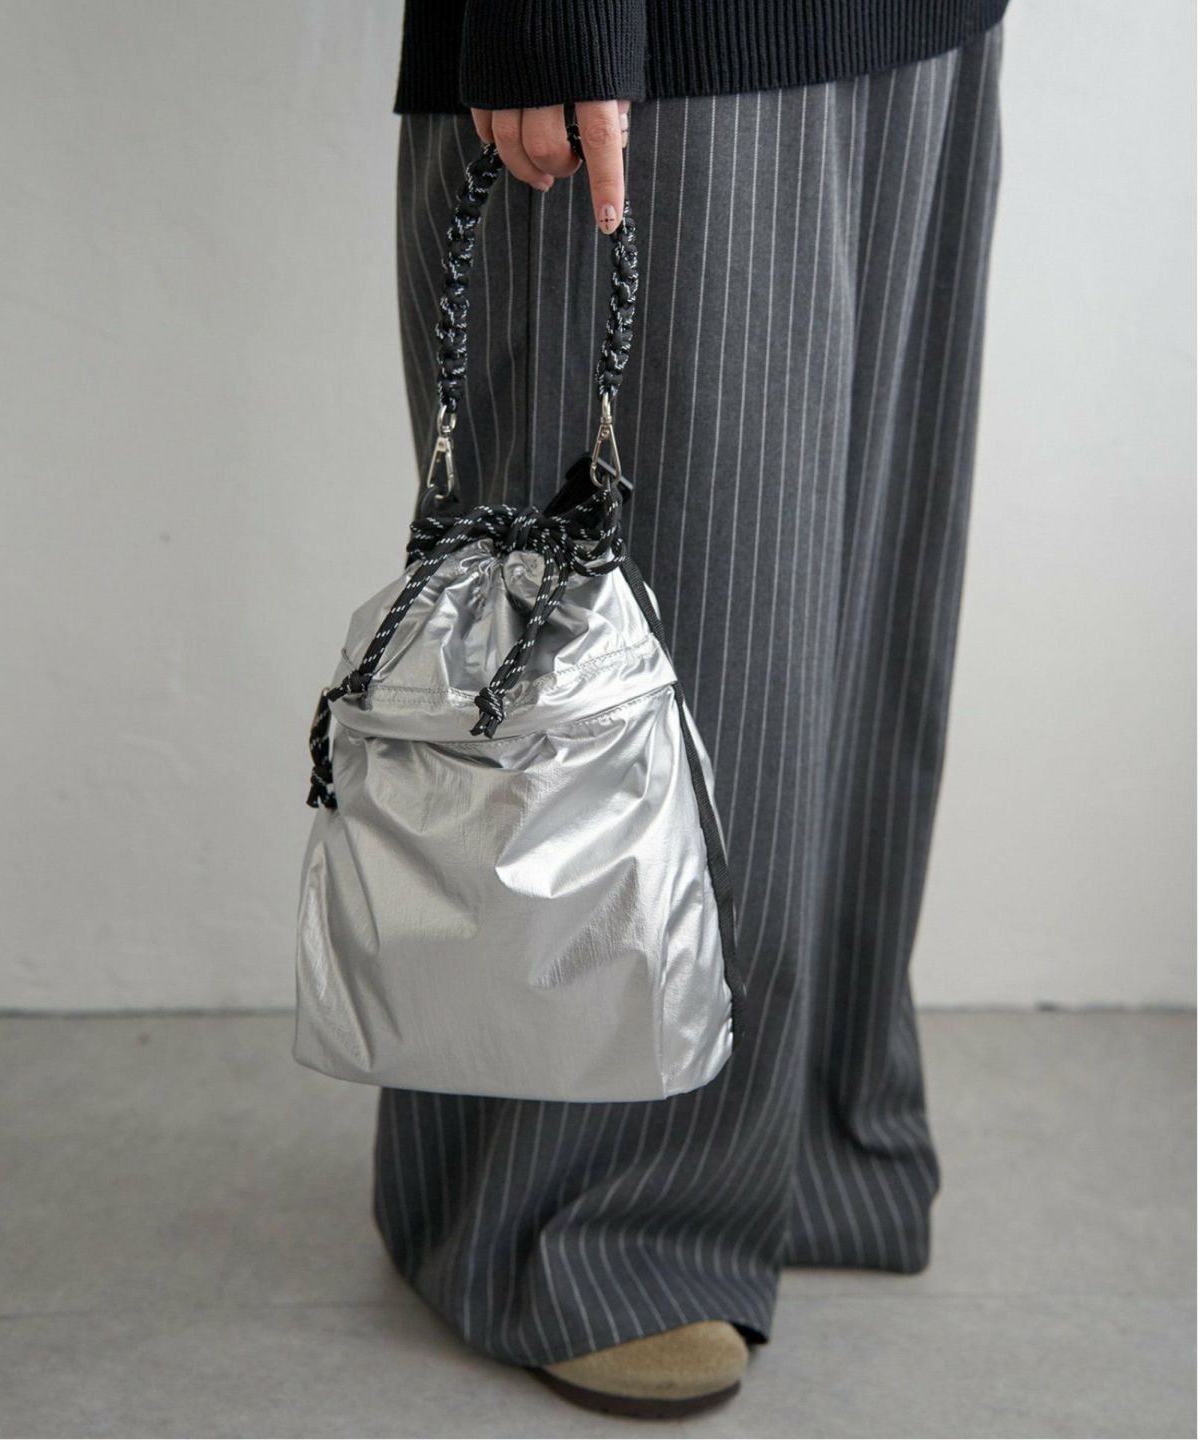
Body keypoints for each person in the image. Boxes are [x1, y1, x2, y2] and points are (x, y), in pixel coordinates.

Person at [376, 0, 1008, 1418]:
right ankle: (586, 1216)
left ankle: (797, 1138)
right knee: (632, 636)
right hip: (656, 36)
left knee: (843, 615)